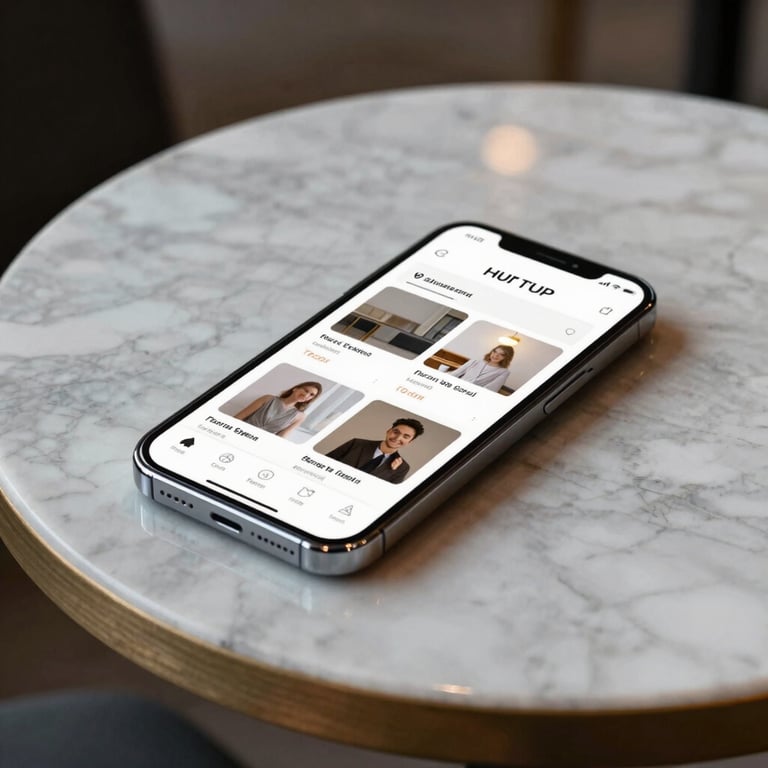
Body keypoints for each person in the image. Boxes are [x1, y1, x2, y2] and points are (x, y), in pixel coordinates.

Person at [326, 418, 424, 483]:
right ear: (388, 431)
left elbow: (384, 493)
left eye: (406, 437)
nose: (397, 438)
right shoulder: (356, 443)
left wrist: (389, 471)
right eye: (396, 432)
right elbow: (324, 461)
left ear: (410, 442)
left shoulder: (402, 468)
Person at [233, 381, 322, 437]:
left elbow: (281, 437)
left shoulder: (300, 416)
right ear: (295, 389)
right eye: (306, 390)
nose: (306, 395)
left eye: (311, 395)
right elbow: (240, 416)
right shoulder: (267, 398)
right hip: (238, 432)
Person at [448, 345, 514, 392]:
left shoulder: (504, 372)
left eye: (502, 354)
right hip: (456, 387)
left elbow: (491, 389)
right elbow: (456, 373)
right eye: (495, 352)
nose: (496, 355)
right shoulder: (476, 361)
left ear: (507, 357)